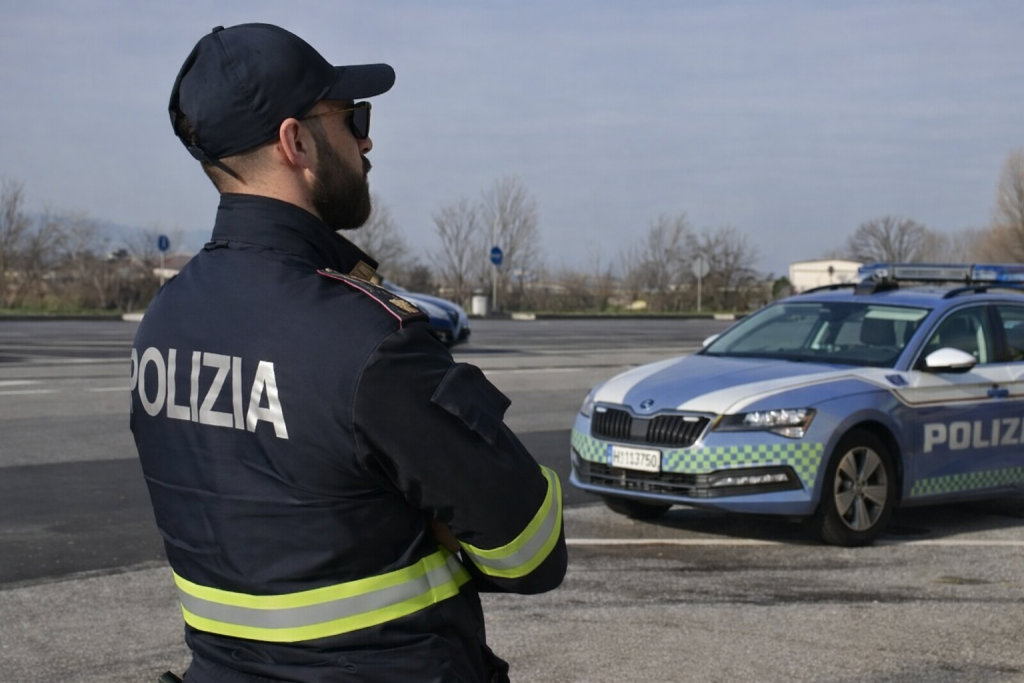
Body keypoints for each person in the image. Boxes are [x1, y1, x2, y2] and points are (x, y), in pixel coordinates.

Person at [130, 23, 567, 683]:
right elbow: (532, 552)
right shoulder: (368, 342)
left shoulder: (163, 321)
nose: (366, 140)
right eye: (352, 118)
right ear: (295, 142)